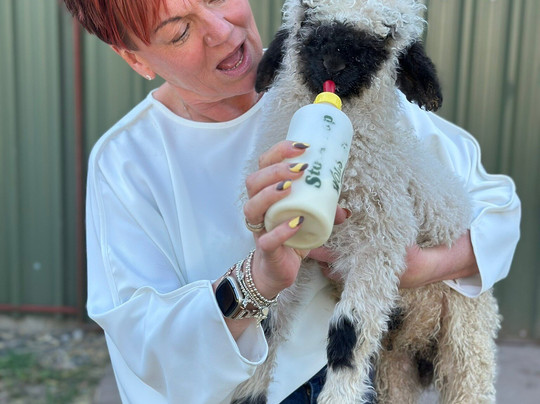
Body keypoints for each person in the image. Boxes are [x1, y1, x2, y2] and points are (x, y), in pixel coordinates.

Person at [63, 1, 521, 403]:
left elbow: (496, 208)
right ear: (135, 58)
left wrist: (422, 266)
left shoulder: (339, 82)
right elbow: (145, 342)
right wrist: (257, 281)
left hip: (348, 378)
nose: (221, 30)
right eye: (179, 31)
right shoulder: (127, 159)